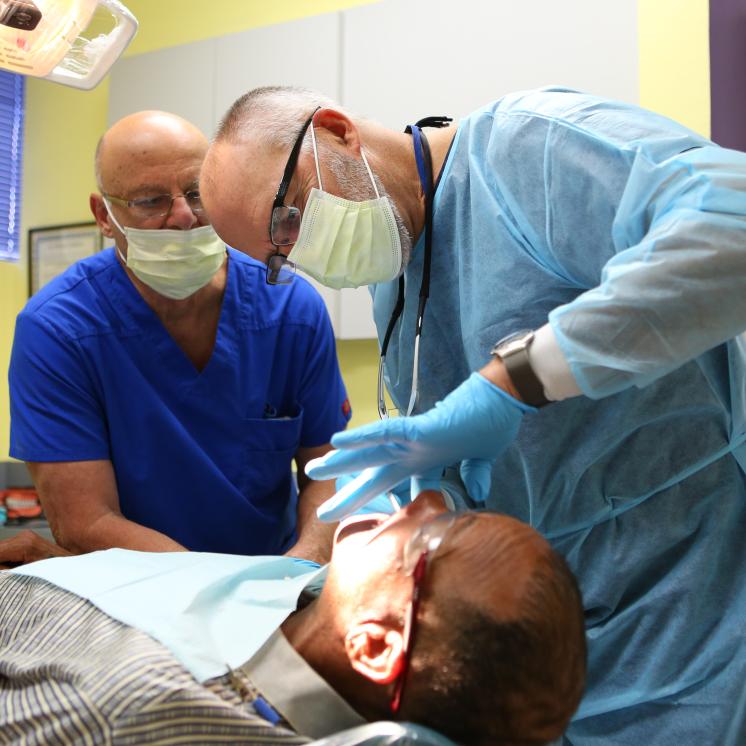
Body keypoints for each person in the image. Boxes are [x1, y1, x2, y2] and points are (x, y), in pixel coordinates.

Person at [198, 86, 746, 742]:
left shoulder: (526, 150)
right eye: (278, 258)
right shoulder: (394, 275)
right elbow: (478, 454)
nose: (300, 250)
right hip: (527, 645)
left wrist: (511, 381)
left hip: (689, 601)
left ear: (337, 131)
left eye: (288, 218)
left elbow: (732, 223)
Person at [8, 110, 351, 562]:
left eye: (197, 191)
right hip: (141, 595)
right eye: (151, 201)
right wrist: (211, 590)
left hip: (276, 583)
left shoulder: (290, 309)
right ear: (104, 216)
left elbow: (326, 473)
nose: (185, 216)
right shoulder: (58, 332)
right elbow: (85, 522)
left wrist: (300, 566)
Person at [0, 492, 586, 745]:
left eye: (432, 534)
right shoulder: (315, 593)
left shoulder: (122, 714)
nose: (423, 501)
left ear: (376, 648)